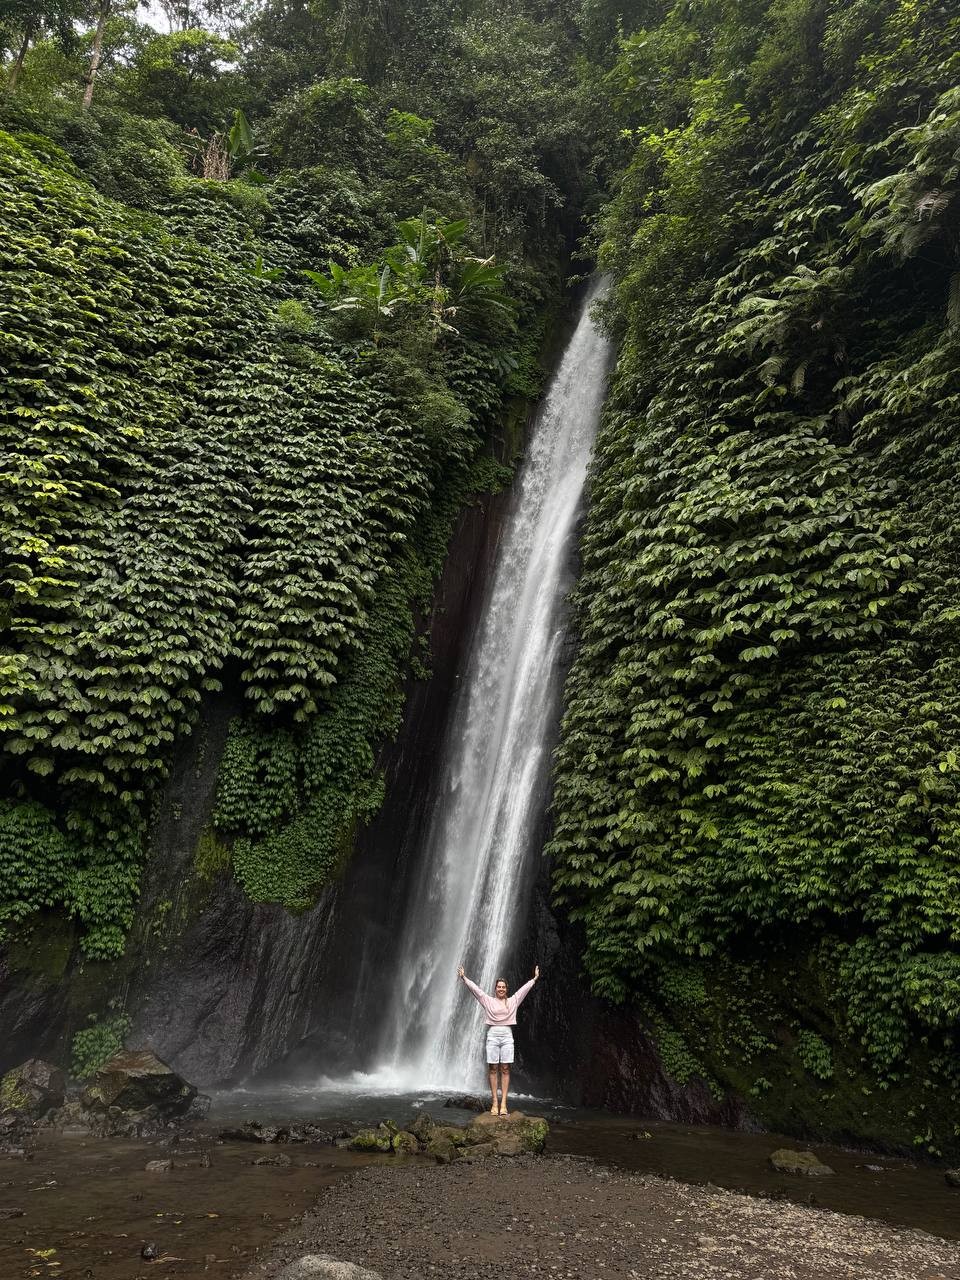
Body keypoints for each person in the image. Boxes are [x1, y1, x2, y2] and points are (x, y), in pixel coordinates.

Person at [457, 963, 539, 1116]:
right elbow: (476, 990)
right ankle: (494, 1101)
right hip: (493, 1035)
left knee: (506, 1069)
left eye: (503, 987)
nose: (501, 989)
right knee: (493, 1068)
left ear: (506, 989)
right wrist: (464, 977)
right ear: (495, 989)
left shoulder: (514, 1001)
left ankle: (504, 1104)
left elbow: (523, 990)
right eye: (499, 987)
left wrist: (534, 979)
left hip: (507, 1035)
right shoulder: (488, 1001)